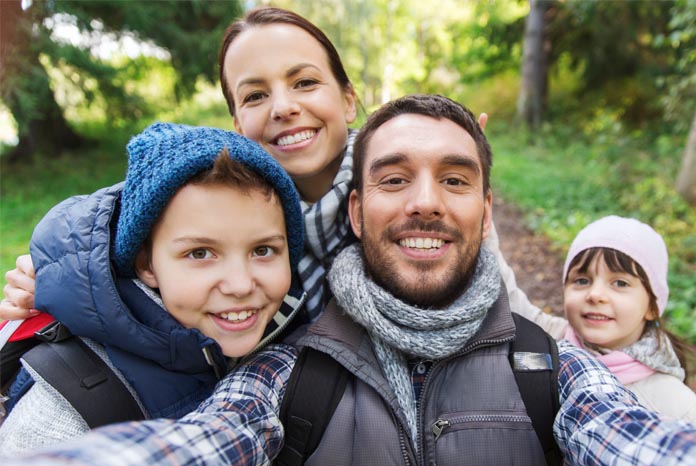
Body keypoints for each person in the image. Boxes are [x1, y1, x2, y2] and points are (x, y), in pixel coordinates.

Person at [0, 94, 696, 466]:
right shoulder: (287, 365)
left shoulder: (550, 364)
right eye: (394, 176)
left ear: (485, 209)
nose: (426, 201)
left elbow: (647, 455)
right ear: (357, 209)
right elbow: (193, 456)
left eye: (456, 177)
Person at [0, 5, 566, 336]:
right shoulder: (212, 194)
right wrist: (52, 274)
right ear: (235, 120)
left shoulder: (399, 197)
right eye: (255, 95)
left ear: (348, 100)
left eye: (304, 82)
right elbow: (122, 218)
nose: (283, 107)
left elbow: (509, 310)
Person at [0, 122, 305, 455]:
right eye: (200, 253)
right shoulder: (63, 417)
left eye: (263, 250)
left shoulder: (287, 321)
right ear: (146, 265)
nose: (241, 284)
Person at [559, 215, 696, 466]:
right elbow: (511, 295)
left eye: (620, 283)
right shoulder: (554, 350)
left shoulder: (676, 405)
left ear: (653, 306)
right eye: (582, 280)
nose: (595, 294)